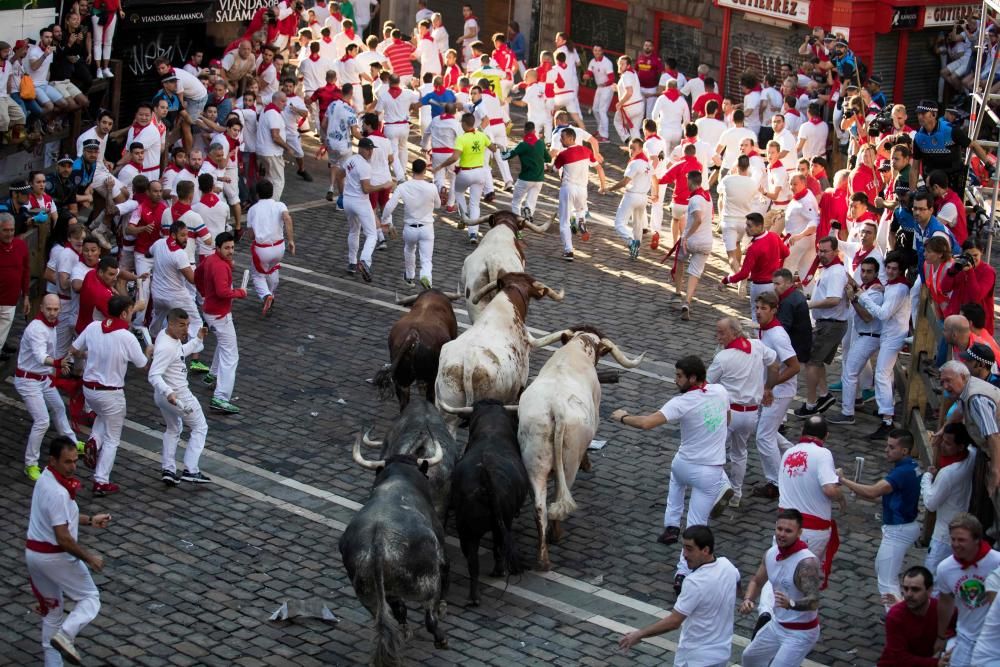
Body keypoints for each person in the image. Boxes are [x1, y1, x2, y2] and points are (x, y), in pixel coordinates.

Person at [609, 355, 733, 593]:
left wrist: (622, 417)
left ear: (693, 378)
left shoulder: (681, 402)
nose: (675, 380)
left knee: (676, 481)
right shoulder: (720, 391)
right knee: (697, 523)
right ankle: (682, 572)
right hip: (710, 471)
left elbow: (647, 423)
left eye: (679, 376)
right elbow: (727, 419)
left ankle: (671, 525)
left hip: (685, 464)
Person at [25, 437, 111, 666]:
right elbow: (63, 537)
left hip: (35, 557)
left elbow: (64, 518)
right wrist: (89, 557)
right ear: (53, 460)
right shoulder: (59, 493)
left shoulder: (46, 479)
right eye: (67, 462)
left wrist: (90, 520)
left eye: (75, 461)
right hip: (55, 557)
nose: (73, 467)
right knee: (90, 598)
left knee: (53, 613)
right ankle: (66, 634)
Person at [617, 525, 740, 666]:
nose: (684, 555)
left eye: (689, 549)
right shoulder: (728, 566)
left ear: (705, 550)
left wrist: (639, 634)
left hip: (695, 658)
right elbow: (737, 583)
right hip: (721, 654)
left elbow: (674, 622)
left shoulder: (694, 583)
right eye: (683, 548)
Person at [67, 294, 149, 495]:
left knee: (103, 416)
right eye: (130, 311)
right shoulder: (126, 337)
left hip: (90, 390)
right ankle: (101, 480)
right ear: (123, 313)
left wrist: (90, 354)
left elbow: (74, 349)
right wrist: (149, 350)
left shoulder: (94, 327)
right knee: (113, 439)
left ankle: (94, 440)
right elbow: (142, 365)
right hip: (111, 393)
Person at [838, 429, 921, 612]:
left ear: (905, 451)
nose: (886, 450)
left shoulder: (901, 473)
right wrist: (859, 491)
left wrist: (843, 480)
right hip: (903, 527)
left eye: (892, 447)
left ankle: (897, 619)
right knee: (882, 570)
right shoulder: (911, 467)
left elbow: (874, 491)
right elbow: (883, 497)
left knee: (886, 582)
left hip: (898, 530)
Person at [707, 317, 779, 508]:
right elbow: (774, 363)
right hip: (751, 414)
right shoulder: (757, 346)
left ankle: (720, 488)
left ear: (734, 333)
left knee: (715, 453)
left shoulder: (723, 358)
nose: (718, 336)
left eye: (722, 332)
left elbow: (706, 384)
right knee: (739, 453)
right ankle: (736, 493)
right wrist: (768, 387)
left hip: (729, 414)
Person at [740, 509, 823, 666]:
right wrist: (748, 599)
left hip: (801, 632)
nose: (782, 534)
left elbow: (814, 601)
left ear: (799, 532)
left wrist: (790, 603)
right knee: (750, 658)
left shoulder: (807, 563)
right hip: (777, 625)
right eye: (779, 529)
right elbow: (757, 581)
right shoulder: (771, 553)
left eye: (788, 531)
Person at [15, 294, 82, 482]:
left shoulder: (51, 326)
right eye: (49, 309)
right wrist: (57, 364)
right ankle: (31, 464)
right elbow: (40, 356)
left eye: (56, 309)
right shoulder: (37, 329)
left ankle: (73, 443)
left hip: (42, 378)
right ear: (42, 309)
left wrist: (52, 373)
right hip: (28, 380)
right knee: (42, 421)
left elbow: (48, 356)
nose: (52, 313)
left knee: (59, 407)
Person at [149, 308, 211, 485]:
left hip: (163, 397)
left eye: (188, 325)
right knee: (200, 427)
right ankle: (191, 469)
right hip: (179, 396)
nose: (186, 330)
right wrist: (169, 393)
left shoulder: (166, 336)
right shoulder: (166, 347)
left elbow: (180, 353)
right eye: (182, 325)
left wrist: (198, 339)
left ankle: (168, 468)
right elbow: (153, 375)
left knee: (173, 428)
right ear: (171, 324)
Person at [751, 291, 802, 501]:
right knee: (767, 431)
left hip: (780, 392)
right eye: (757, 307)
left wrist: (770, 387)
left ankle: (777, 482)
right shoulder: (764, 330)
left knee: (763, 436)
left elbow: (794, 366)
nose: (759, 312)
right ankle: (795, 457)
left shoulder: (777, 334)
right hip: (771, 389)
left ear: (774, 310)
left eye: (764, 308)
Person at [934, 513, 1000, 667]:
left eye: (961, 540)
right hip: (964, 638)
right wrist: (941, 636)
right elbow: (945, 602)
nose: (955, 544)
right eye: (953, 539)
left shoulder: (996, 562)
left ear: (977, 539)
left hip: (993, 642)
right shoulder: (945, 568)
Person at [794, 237, 848, 417]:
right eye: (820, 250)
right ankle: (824, 395)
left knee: (811, 362)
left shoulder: (835, 272)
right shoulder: (829, 270)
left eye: (825, 251)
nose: (821, 254)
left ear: (835, 251)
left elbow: (833, 300)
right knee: (817, 361)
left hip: (830, 324)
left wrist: (809, 305)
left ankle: (810, 404)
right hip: (826, 323)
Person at [194, 231, 246, 414]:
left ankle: (213, 374)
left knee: (224, 345)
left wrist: (203, 292)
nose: (230, 251)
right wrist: (240, 293)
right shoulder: (221, 267)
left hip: (210, 311)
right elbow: (223, 292)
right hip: (220, 315)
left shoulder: (209, 260)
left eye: (232, 247)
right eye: (227, 248)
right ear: (218, 248)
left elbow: (197, 275)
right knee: (231, 355)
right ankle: (221, 397)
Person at [922, 423, 977, 573]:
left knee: (932, 578)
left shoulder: (947, 473)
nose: (942, 446)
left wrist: (927, 478)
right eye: (942, 440)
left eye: (948, 443)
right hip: (959, 529)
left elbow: (930, 503)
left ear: (960, 446)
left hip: (943, 536)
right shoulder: (971, 456)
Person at [381, 158, 438, 288]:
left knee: (409, 250)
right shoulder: (431, 187)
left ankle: (410, 276)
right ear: (424, 171)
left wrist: (385, 220)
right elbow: (439, 205)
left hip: (410, 229)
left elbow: (389, 206)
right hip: (427, 228)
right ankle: (425, 276)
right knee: (426, 259)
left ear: (412, 170)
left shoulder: (403, 187)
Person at [342, 137, 391, 280]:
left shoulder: (350, 160)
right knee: (372, 234)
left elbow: (340, 174)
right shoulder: (364, 166)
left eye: (371, 149)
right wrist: (384, 185)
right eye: (368, 149)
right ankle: (364, 260)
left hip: (348, 200)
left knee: (353, 230)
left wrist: (341, 193)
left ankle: (352, 263)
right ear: (361, 148)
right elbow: (366, 189)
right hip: (360, 202)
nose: (370, 152)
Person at [551, 127, 604, 261]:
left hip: (568, 188)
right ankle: (581, 221)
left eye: (562, 138)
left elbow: (554, 169)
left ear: (570, 138)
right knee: (580, 210)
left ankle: (568, 251)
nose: (561, 140)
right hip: (582, 190)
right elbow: (596, 165)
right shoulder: (586, 151)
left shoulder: (563, 154)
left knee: (564, 221)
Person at [878, 566, 946, 666]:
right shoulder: (895, 616)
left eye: (915, 589)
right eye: (905, 589)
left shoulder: (941, 610)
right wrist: (937, 663)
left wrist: (942, 638)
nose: (909, 594)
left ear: (929, 590)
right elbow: (901, 658)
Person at [245, 180, 295, 308]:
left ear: (257, 194)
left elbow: (251, 235)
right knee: (273, 268)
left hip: (262, 250)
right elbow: (287, 218)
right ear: (272, 192)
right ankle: (272, 292)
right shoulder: (280, 205)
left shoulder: (253, 210)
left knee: (257, 275)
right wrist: (290, 240)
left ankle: (266, 295)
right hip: (279, 248)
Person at [674, 170, 712, 320]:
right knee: (695, 272)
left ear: (690, 181)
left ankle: (677, 291)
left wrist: (686, 236)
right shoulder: (708, 197)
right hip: (706, 242)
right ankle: (687, 301)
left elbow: (698, 219)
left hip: (691, 240)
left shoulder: (695, 199)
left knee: (679, 261)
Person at [607, 138, 651, 259]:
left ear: (641, 149)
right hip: (643, 198)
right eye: (630, 147)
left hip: (632, 196)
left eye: (634, 148)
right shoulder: (647, 164)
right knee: (638, 225)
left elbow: (625, 181)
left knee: (619, 223)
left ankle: (631, 242)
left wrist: (609, 189)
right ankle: (636, 249)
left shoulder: (635, 163)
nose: (631, 150)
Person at [718, 156, 760, 275]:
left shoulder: (728, 179)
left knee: (731, 255)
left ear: (737, 166)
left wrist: (730, 174)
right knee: (737, 244)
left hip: (729, 220)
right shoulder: (752, 183)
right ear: (748, 167)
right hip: (744, 222)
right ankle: (739, 272)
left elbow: (718, 190)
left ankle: (738, 276)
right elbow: (755, 197)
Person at [502, 120, 549, 220]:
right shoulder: (540, 143)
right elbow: (548, 159)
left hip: (525, 179)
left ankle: (518, 222)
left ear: (524, 131)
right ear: (534, 131)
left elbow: (507, 156)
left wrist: (501, 151)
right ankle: (528, 210)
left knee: (516, 202)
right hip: (539, 179)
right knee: (531, 200)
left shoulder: (523, 145)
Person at [0, 213, 30, 354]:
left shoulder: (20, 245)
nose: (9, 233)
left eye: (11, 230)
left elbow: (26, 270)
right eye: (5, 230)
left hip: (10, 302)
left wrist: (26, 296)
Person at [256, 91, 292, 201]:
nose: (285, 104)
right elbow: (275, 136)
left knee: (269, 179)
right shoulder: (273, 114)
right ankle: (272, 204)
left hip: (264, 151)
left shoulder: (266, 110)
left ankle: (264, 202)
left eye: (286, 101)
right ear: (275, 100)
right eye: (283, 101)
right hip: (272, 152)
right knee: (278, 181)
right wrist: (288, 148)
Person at [585, 44, 615, 141]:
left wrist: (605, 84)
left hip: (607, 88)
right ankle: (600, 129)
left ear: (602, 51)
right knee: (595, 109)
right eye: (595, 50)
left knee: (602, 111)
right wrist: (586, 75)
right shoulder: (592, 62)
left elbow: (612, 79)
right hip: (599, 87)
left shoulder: (607, 63)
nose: (597, 52)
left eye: (599, 50)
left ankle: (605, 136)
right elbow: (589, 72)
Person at [614, 55, 643, 142]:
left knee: (617, 122)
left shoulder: (625, 76)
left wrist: (620, 103)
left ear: (628, 66)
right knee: (634, 130)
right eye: (619, 64)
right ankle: (638, 150)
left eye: (622, 64)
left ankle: (627, 139)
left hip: (630, 107)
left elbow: (629, 92)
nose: (620, 66)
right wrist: (617, 88)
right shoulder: (633, 72)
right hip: (639, 106)